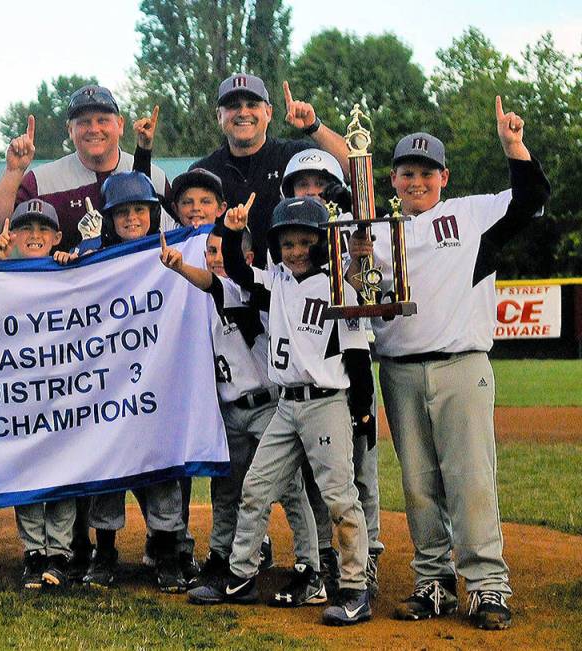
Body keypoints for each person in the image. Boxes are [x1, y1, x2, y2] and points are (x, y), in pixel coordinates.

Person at [346, 97, 550, 631]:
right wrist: (355, 258)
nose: (417, 181)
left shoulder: (472, 214)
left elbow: (531, 199)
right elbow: (352, 290)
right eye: (407, 172)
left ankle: (487, 584)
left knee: (470, 479)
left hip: (461, 363)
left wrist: (514, 146)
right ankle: (433, 583)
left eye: (427, 172)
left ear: (444, 177)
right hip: (399, 368)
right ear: (392, 178)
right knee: (418, 483)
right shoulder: (374, 232)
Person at [186, 197, 375, 626]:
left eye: (305, 242)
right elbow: (235, 270)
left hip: (326, 401)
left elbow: (359, 355)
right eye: (287, 242)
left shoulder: (338, 287)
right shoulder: (278, 282)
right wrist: (232, 233)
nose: (294, 250)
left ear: (322, 243)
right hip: (287, 405)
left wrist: (362, 411)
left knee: (339, 499)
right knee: (255, 487)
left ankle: (354, 588)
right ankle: (241, 575)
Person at [70, 171, 186, 594]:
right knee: (109, 468)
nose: (133, 218)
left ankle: (169, 554)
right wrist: (70, 262)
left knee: (161, 470)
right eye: (123, 212)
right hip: (108, 384)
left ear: (153, 213)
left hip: (156, 377)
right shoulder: (96, 257)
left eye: (140, 209)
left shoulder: (170, 254)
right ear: (109, 218)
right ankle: (105, 553)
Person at [279, 148, 384, 599]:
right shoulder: (289, 247)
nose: (312, 191)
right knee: (313, 476)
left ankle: (368, 557)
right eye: (303, 185)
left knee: (359, 470)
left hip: (351, 370)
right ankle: (324, 561)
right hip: (308, 375)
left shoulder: (354, 234)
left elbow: (380, 290)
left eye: (320, 184)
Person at [0, 199, 77, 589]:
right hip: (20, 391)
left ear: (58, 236)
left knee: (61, 467)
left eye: (44, 229)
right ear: (15, 235)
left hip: (61, 388)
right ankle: (34, 551)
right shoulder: (4, 273)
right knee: (25, 468)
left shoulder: (69, 268)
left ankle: (59, 552)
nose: (36, 236)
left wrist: (75, 262)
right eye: (27, 229)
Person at [0, 86, 171, 252]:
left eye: (102, 120)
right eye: (84, 122)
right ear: (70, 130)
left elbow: (189, 234)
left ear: (120, 124)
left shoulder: (154, 177)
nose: (94, 129)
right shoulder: (42, 181)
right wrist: (14, 171)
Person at [191, 73, 349, 266]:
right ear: (219, 116)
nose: (243, 112)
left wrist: (313, 126)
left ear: (269, 112)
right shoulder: (203, 171)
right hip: (223, 286)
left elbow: (354, 170)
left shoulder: (295, 156)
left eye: (252, 104)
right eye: (233, 106)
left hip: (293, 281)